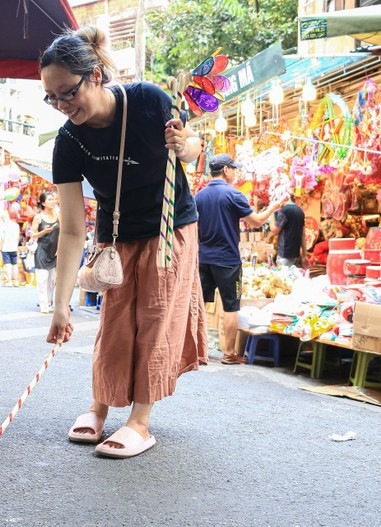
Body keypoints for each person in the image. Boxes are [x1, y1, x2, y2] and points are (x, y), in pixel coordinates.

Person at [42, 26, 206, 458]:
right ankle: (98, 408)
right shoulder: (69, 140)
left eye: (67, 92)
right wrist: (61, 305)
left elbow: (193, 145)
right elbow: (73, 228)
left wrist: (185, 146)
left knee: (155, 318)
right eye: (52, 98)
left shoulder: (150, 100)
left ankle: (139, 421)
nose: (61, 106)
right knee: (115, 323)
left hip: (168, 228)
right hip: (115, 238)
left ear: (95, 75)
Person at [194, 153, 287, 365]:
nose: (235, 172)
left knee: (199, 304)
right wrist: (273, 207)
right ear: (226, 170)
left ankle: (197, 351)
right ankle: (228, 353)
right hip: (227, 260)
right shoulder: (233, 195)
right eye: (233, 168)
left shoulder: (199, 196)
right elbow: (255, 222)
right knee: (230, 307)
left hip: (203, 258)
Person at [29, 192, 59, 312]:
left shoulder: (58, 215)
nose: (53, 201)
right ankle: (43, 304)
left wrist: (60, 248)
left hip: (55, 251)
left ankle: (49, 302)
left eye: (54, 199)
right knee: (42, 278)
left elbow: (62, 234)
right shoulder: (38, 217)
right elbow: (32, 235)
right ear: (43, 203)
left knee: (52, 279)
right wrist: (44, 232)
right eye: (50, 199)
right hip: (42, 250)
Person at [269, 190, 309, 269]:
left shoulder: (285, 211)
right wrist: (304, 256)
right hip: (296, 255)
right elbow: (302, 235)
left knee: (284, 279)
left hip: (285, 255)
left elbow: (274, 230)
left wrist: (272, 212)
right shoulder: (300, 211)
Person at [0, 210, 21, 287]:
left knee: (8, 265)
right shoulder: (16, 225)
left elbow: (2, 238)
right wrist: (16, 247)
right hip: (14, 247)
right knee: (15, 265)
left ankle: (10, 281)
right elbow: (18, 238)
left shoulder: (3, 226)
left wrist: (0, 249)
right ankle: (16, 281)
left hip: (6, 248)